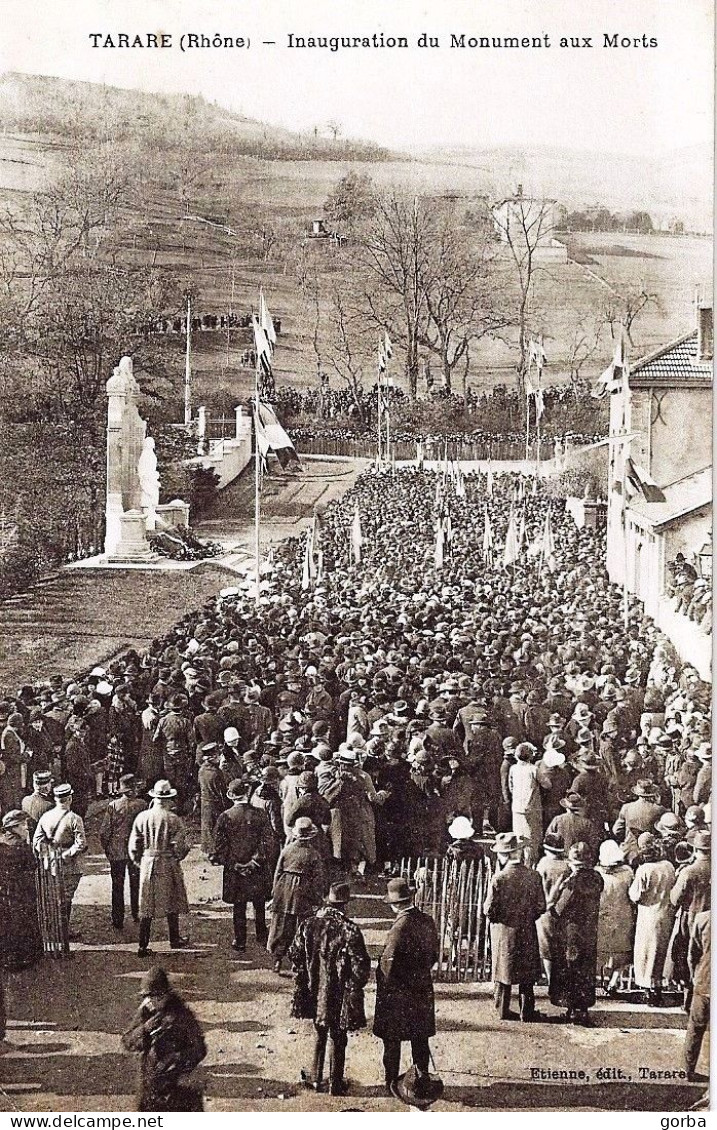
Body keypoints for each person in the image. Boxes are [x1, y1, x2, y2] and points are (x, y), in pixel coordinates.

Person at [289, 881, 371, 1096]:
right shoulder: (349, 930)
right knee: (339, 1035)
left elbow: (294, 954)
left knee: (319, 1031)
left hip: (313, 988)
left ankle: (315, 1079)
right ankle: (335, 1082)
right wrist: (354, 987)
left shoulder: (307, 925)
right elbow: (360, 965)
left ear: (328, 900)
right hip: (339, 992)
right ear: (345, 905)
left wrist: (306, 974)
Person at [373, 876, 439, 1098]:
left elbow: (388, 966)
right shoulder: (427, 921)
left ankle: (391, 1083)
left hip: (399, 994)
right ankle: (420, 1080)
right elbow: (434, 956)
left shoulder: (398, 928)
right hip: (421, 989)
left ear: (394, 904)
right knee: (420, 1039)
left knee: (392, 1041)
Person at [122, 965, 207, 1111]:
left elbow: (200, 1049)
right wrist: (144, 1029)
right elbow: (127, 1042)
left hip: (178, 1085)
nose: (155, 1002)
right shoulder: (145, 1012)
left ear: (167, 995)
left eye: (159, 997)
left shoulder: (182, 1014)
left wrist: (176, 1057)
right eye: (150, 998)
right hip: (150, 1085)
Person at [484, 831, 545, 1021]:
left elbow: (488, 909)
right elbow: (541, 906)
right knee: (526, 973)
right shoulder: (534, 877)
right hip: (526, 929)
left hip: (504, 931)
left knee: (504, 970)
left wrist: (501, 918)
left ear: (504, 855)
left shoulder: (499, 879)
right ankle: (527, 1011)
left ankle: (502, 1009)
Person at [128, 779, 191, 957]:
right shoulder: (173, 819)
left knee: (146, 903)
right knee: (172, 900)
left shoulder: (142, 817)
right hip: (168, 862)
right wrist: (178, 857)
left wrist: (140, 862)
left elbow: (133, 845)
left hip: (148, 862)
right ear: (169, 799)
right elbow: (181, 846)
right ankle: (174, 938)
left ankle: (142, 944)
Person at [211, 779, 272, 952]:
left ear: (231, 796)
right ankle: (261, 933)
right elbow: (268, 842)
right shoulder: (260, 814)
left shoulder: (225, 817)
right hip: (256, 867)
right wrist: (255, 861)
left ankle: (240, 939)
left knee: (239, 905)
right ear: (247, 794)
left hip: (235, 869)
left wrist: (234, 864)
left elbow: (220, 846)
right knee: (259, 901)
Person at [547, 841, 604, 1025]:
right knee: (585, 969)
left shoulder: (573, 881)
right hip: (589, 930)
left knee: (570, 969)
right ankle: (584, 1009)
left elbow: (558, 910)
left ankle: (571, 1010)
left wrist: (555, 895)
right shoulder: (596, 878)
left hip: (571, 931)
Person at [268, 817, 328, 973]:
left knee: (281, 925)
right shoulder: (313, 854)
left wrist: (275, 892)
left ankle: (277, 959)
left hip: (284, 889)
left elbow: (278, 872)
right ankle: (298, 961)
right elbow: (318, 879)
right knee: (301, 926)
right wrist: (318, 898)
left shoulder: (286, 850)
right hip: (303, 891)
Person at [628, 833, 677, 1006]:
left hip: (648, 914)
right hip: (666, 913)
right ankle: (659, 987)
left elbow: (635, 895)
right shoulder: (669, 866)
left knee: (646, 953)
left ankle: (648, 991)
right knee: (661, 951)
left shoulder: (644, 870)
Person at [33, 782, 87, 935]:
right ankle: (63, 930)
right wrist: (66, 855)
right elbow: (81, 843)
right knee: (65, 899)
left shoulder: (46, 817)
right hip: (69, 865)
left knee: (53, 897)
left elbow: (37, 841)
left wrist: (47, 854)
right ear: (69, 798)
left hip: (50, 863)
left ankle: (53, 928)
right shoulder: (75, 818)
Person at [99, 773, 146, 931]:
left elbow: (104, 831)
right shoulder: (142, 805)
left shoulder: (113, 806)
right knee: (136, 883)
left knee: (117, 886)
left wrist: (107, 848)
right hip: (136, 851)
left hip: (117, 851)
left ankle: (117, 918)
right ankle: (136, 912)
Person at [0, 810, 42, 970]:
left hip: (5, 892)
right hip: (22, 890)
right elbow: (33, 864)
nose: (27, 827)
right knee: (23, 922)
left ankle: (8, 957)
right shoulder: (20, 847)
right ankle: (23, 958)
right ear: (14, 827)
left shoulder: (3, 842)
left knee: (8, 923)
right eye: (23, 825)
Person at [595, 839, 635, 996]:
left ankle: (602, 978)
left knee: (602, 950)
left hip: (603, 915)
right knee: (622, 952)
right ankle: (614, 980)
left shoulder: (597, 873)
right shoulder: (627, 873)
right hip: (622, 916)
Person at [684, 911, 710, 1082]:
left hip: (704, 979)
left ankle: (689, 1070)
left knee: (695, 1028)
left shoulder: (703, 918)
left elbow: (692, 954)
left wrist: (694, 977)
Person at [21, 769, 54, 835]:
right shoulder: (50, 805)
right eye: (50, 783)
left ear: (34, 784)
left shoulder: (25, 800)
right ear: (47, 787)